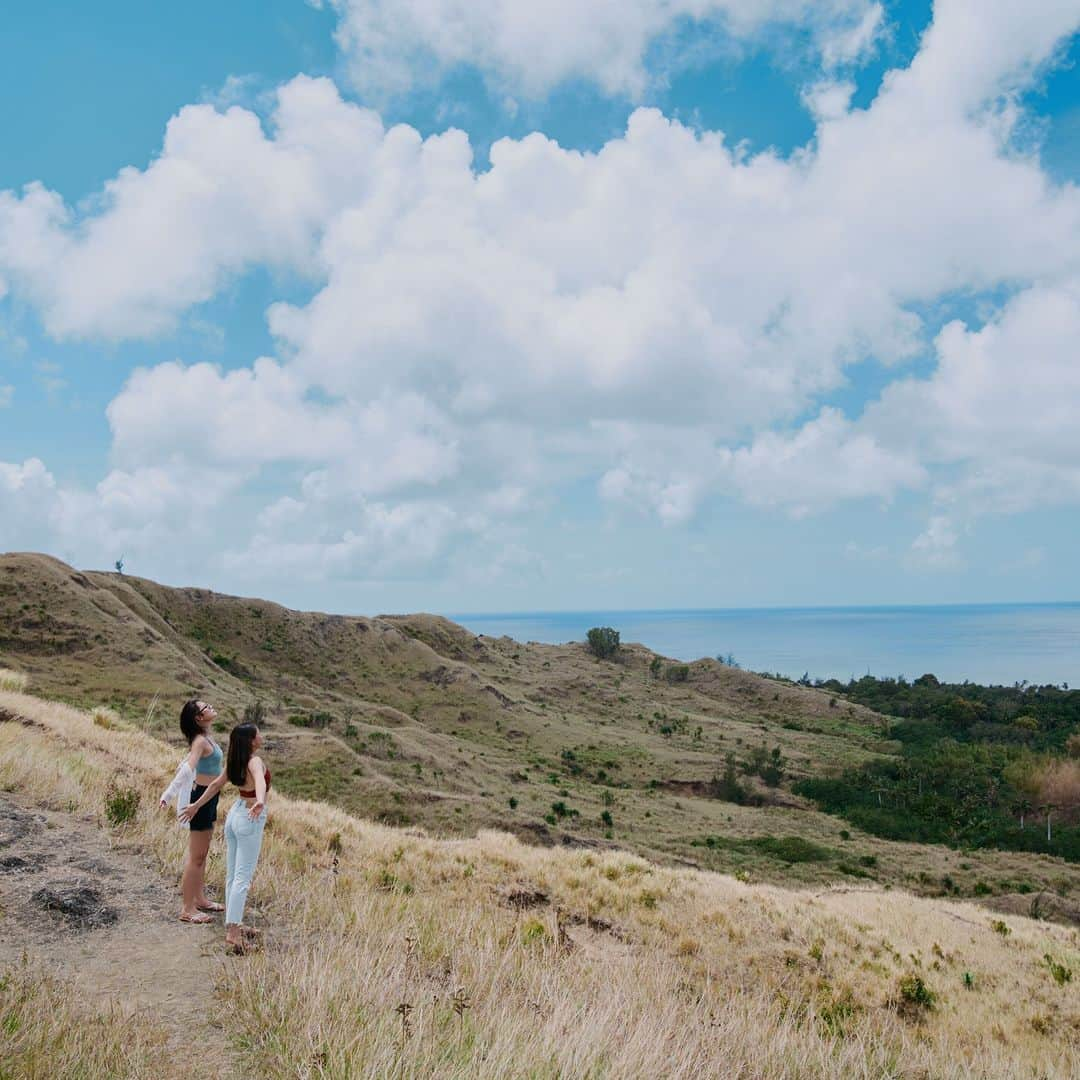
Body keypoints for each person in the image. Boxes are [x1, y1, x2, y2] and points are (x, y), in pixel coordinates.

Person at [183, 722, 269, 954]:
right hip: (250, 817)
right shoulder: (254, 761)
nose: (261, 736)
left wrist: (196, 805)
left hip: (235, 815)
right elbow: (260, 781)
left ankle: (234, 923)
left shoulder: (235, 761)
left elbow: (214, 785)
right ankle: (233, 933)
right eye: (258, 734)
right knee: (242, 878)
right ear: (251, 740)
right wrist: (260, 800)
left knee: (233, 876)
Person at [159, 699, 227, 923]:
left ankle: (200, 899)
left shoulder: (207, 737)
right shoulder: (199, 741)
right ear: (198, 718)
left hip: (210, 798)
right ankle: (187, 909)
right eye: (205, 707)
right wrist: (168, 795)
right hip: (200, 800)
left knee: (202, 854)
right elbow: (187, 768)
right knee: (196, 856)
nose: (211, 707)